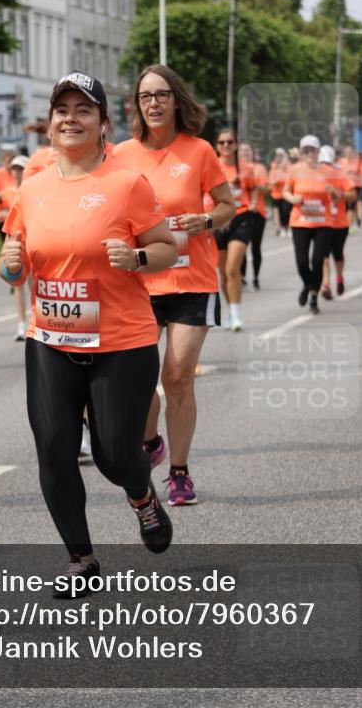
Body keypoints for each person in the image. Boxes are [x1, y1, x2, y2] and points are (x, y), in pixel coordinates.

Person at [0, 72, 178, 591]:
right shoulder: (31, 189)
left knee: (114, 455)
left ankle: (142, 497)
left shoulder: (127, 184)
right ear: (50, 123)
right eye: (62, 110)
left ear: (104, 123)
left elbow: (166, 247)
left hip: (122, 341)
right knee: (53, 447)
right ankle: (82, 560)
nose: (70, 118)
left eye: (83, 109)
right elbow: (14, 263)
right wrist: (9, 264)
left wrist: (139, 255)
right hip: (51, 339)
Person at [113, 65, 234, 505]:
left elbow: (227, 205)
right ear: (137, 105)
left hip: (191, 280)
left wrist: (204, 220)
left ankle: (179, 472)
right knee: (141, 381)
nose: (153, 103)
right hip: (139, 283)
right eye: (145, 96)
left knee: (177, 376)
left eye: (161, 94)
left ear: (176, 99)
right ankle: (150, 441)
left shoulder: (199, 151)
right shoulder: (121, 155)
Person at [283, 135, 335, 315]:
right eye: (305, 150)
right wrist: (293, 198)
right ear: (302, 152)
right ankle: (307, 285)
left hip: (323, 223)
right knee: (302, 262)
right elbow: (285, 191)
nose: (309, 153)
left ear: (318, 151)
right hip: (300, 222)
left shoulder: (328, 171)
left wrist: (333, 191)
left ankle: (313, 298)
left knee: (318, 261)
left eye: (312, 150)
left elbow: (338, 196)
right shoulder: (295, 170)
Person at [214, 128, 255, 331]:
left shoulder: (246, 168)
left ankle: (237, 315)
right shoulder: (213, 166)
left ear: (236, 145)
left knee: (232, 268)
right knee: (222, 272)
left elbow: (253, 188)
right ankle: (231, 310)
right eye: (222, 143)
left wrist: (254, 202)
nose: (226, 146)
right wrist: (217, 215)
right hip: (218, 222)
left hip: (241, 218)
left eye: (230, 142)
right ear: (217, 146)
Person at [0, 154, 29, 340]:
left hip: (35, 239)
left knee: (33, 282)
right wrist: (1, 214)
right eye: (14, 169)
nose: (17, 173)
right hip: (13, 236)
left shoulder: (34, 190)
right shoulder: (8, 192)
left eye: (20, 169)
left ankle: (37, 314)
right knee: (17, 281)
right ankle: (21, 324)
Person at [318, 146, 356, 299]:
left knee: (338, 254)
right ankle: (326, 285)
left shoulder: (340, 175)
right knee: (323, 256)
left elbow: (352, 196)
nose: (325, 167)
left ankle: (339, 277)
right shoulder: (315, 176)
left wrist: (338, 193)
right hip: (322, 223)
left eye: (327, 164)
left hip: (339, 223)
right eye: (322, 164)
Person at [239, 143, 269, 289]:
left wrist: (252, 184)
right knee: (240, 245)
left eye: (247, 150)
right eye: (242, 150)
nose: (244, 152)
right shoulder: (237, 169)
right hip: (242, 211)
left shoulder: (259, 168)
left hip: (258, 212)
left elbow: (266, 189)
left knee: (255, 246)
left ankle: (256, 276)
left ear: (252, 152)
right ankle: (242, 276)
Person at [269, 148, 291, 237]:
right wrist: (276, 180)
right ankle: (281, 228)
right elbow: (271, 182)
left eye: (281, 155)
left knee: (287, 212)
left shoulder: (287, 167)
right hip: (276, 194)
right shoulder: (273, 168)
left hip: (286, 195)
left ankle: (288, 228)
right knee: (278, 213)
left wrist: (285, 156)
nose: (279, 157)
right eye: (278, 155)